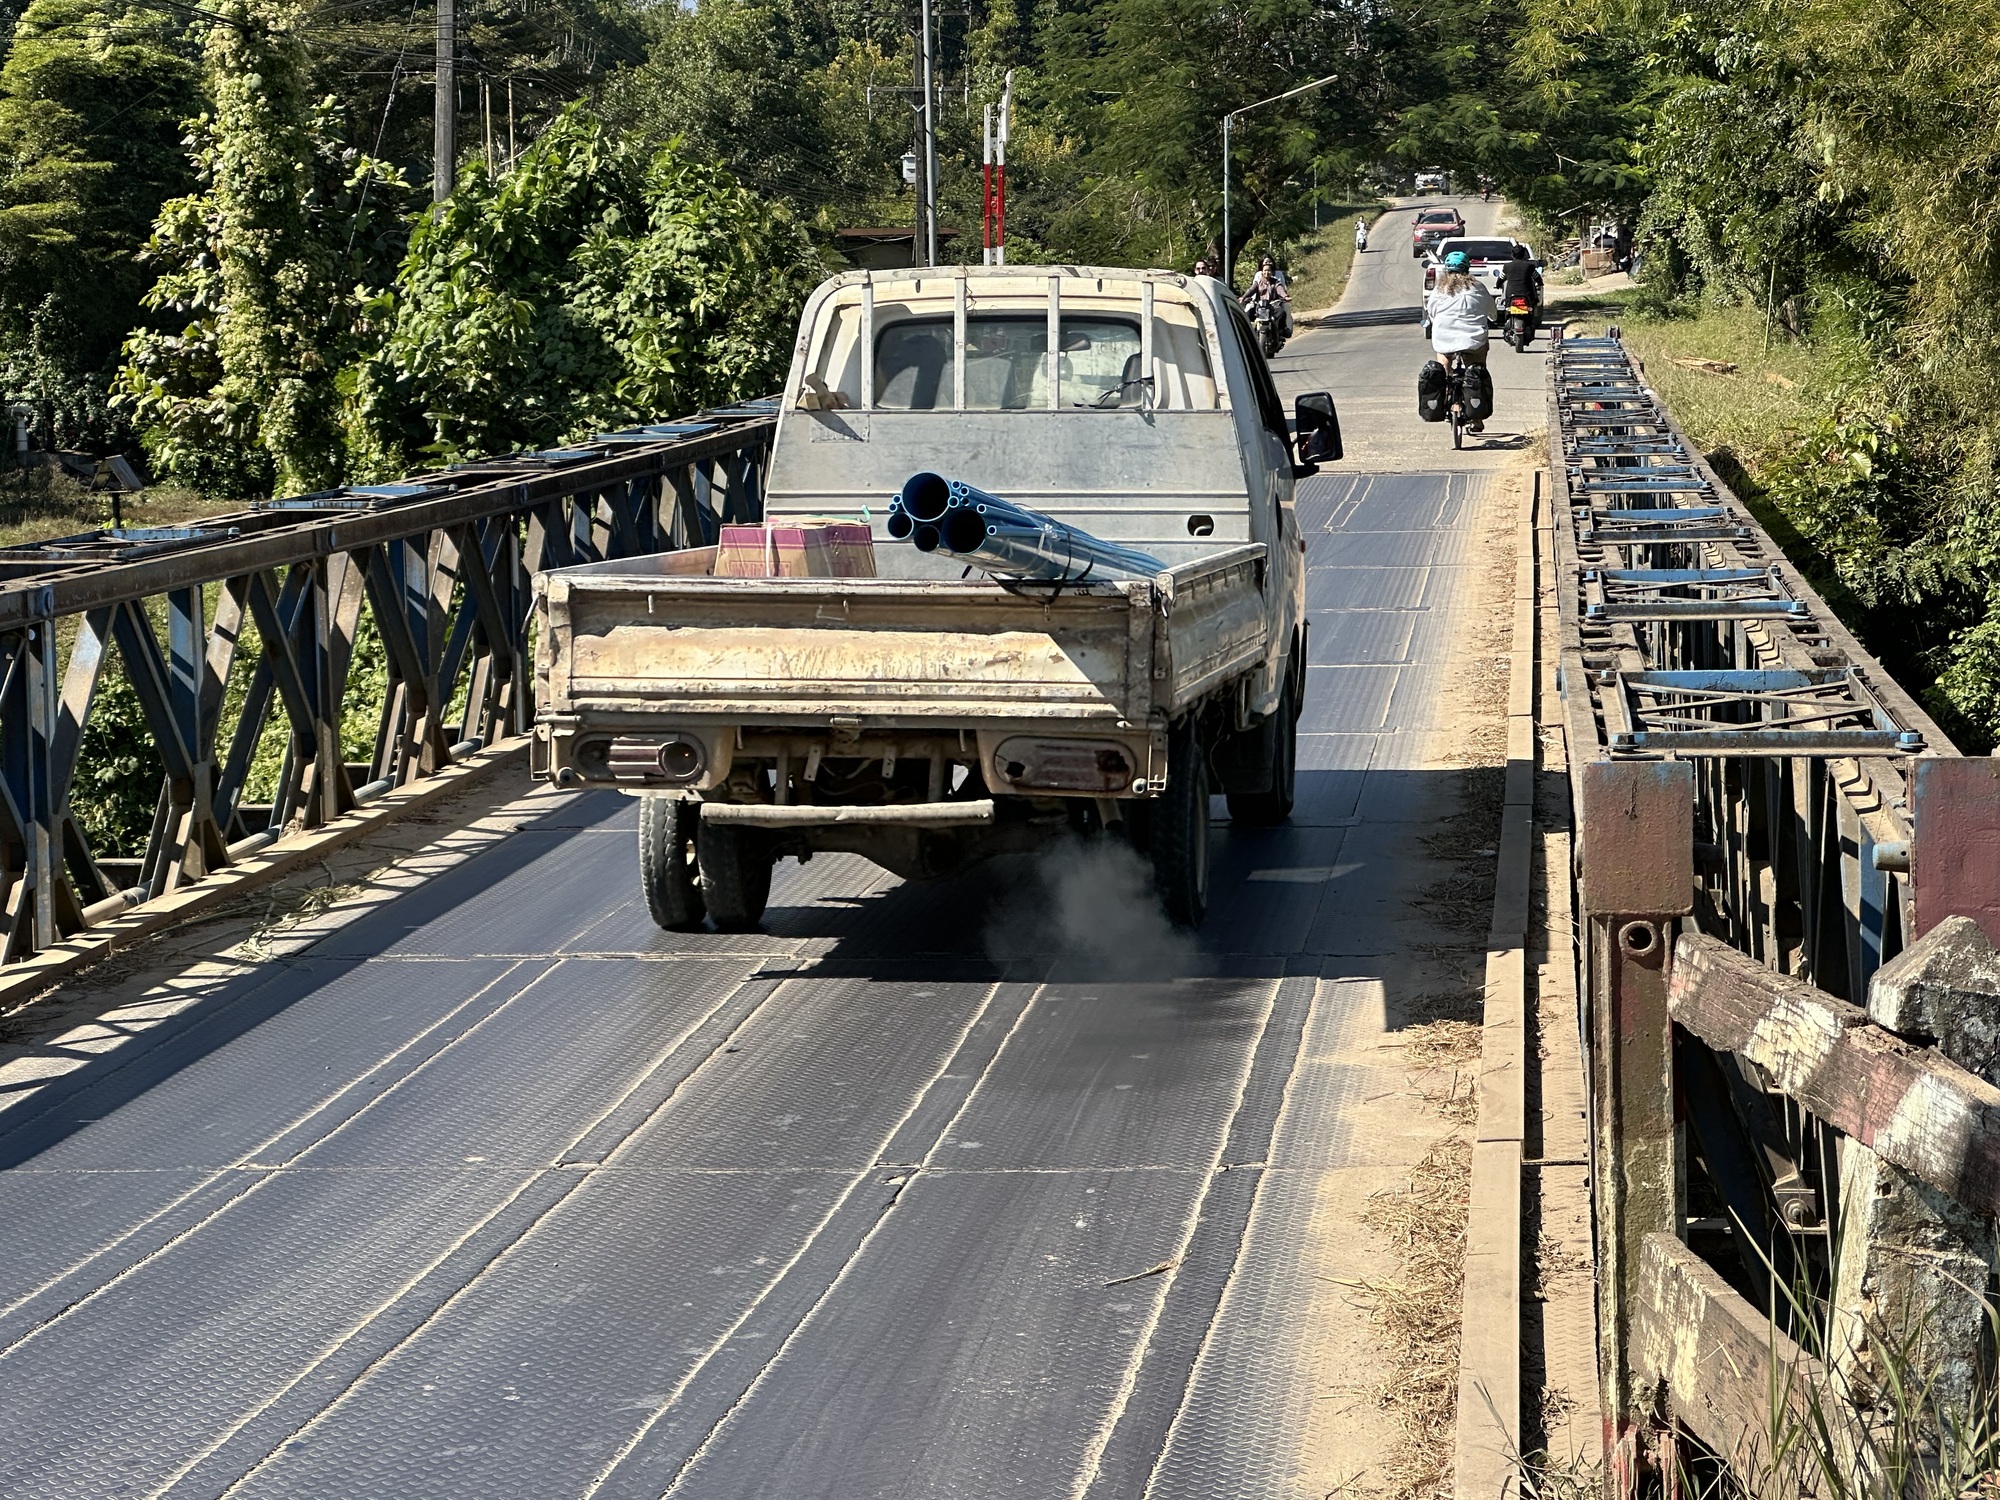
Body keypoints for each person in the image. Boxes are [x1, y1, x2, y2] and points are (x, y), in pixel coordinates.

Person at [1423, 250, 1494, 431]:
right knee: (1476, 366)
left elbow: (1431, 313)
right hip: (1473, 340)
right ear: (1467, 269)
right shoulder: (1478, 287)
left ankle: (1445, 388)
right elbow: (1492, 312)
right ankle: (1476, 416)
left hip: (1444, 339)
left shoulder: (1439, 290)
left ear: (1447, 270)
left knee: (1444, 361)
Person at [1498, 242, 1541, 336]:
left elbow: (1501, 278)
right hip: (1527, 295)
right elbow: (1537, 277)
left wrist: (1497, 285)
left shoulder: (1507, 266)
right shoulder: (1529, 266)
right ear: (1524, 255)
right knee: (1532, 308)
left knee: (1507, 309)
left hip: (1511, 295)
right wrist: (1540, 283)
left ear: (1512, 255)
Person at [1248, 254, 1293, 338]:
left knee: (1283, 310)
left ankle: (1284, 329)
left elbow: (1280, 289)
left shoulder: (1276, 280)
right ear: (1262, 270)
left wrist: (1285, 296)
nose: (1266, 272)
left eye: (1269, 270)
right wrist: (1244, 297)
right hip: (1260, 303)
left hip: (1274, 303)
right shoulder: (1258, 279)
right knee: (1247, 311)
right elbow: (1252, 289)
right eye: (1265, 270)